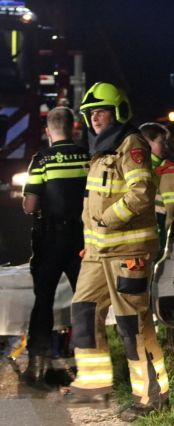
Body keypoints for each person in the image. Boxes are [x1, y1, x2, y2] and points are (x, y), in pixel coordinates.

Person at [65, 82, 170, 421]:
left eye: (101, 111)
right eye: (91, 112)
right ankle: (94, 385)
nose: (95, 118)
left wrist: (107, 221)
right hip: (98, 251)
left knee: (133, 325)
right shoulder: (101, 149)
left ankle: (152, 399)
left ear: (118, 112)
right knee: (83, 309)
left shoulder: (131, 144)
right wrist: (91, 238)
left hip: (128, 250)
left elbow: (141, 192)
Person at [20, 107, 89, 386]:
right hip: (83, 240)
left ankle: (38, 368)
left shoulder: (42, 160)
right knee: (84, 301)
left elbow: (29, 205)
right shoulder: (88, 156)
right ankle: (89, 368)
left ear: (48, 131)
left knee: (44, 301)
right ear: (74, 128)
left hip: (49, 241)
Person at [139, 122, 170, 257]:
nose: (165, 146)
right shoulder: (146, 167)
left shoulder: (159, 165)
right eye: (161, 141)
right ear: (147, 142)